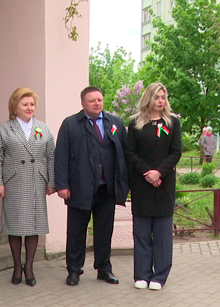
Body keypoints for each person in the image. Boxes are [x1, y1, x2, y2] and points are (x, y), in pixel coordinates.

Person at [54, 86, 129, 287]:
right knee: (76, 232)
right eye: (92, 100)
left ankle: (104, 269)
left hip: (107, 189)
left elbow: (124, 155)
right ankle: (74, 270)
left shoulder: (115, 123)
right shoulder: (71, 124)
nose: (97, 103)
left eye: (99, 99)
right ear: (83, 104)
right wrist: (62, 184)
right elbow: (60, 156)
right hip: (79, 187)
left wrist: (123, 184)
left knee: (104, 231)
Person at [0, 87, 56, 286]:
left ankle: (29, 267)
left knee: (34, 226)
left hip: (37, 180)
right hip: (14, 182)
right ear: (15, 106)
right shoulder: (4, 128)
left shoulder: (42, 128)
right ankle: (17, 266)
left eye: (32, 104)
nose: (29, 108)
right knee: (16, 226)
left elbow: (51, 156)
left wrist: (52, 181)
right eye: (25, 104)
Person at [125, 82, 182, 290]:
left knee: (162, 234)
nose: (160, 101)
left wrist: (160, 172)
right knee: (141, 232)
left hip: (164, 184)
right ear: (148, 98)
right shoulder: (136, 123)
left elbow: (176, 152)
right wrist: (147, 173)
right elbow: (130, 152)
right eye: (157, 97)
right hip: (142, 184)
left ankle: (159, 276)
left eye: (163, 97)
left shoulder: (172, 122)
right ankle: (141, 274)